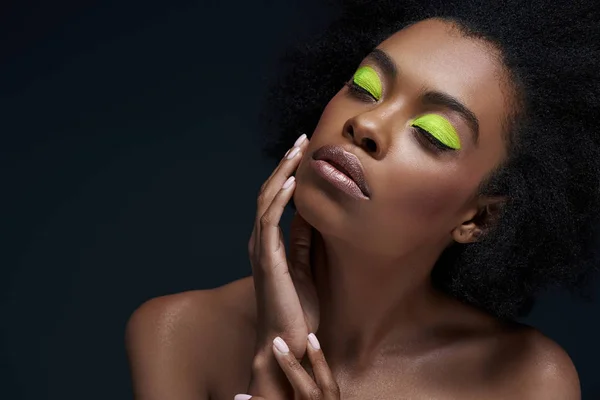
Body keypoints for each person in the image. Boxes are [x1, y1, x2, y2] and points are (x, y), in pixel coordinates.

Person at [125, 0, 600, 398]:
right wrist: (272, 374)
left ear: (480, 217)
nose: (367, 125)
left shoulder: (528, 381)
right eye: (365, 87)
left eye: (432, 134)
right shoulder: (178, 334)